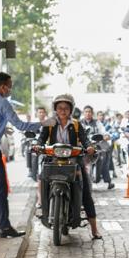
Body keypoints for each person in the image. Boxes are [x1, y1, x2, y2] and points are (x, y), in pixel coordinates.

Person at [0, 72, 56, 238]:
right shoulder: (3, 103)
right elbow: (21, 125)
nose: (10, 90)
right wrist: (44, 123)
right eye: (9, 86)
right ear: (2, 87)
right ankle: (4, 227)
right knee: (0, 187)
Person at [37, 94, 102, 239]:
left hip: (74, 160)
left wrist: (90, 147)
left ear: (71, 109)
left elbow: (85, 140)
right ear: (55, 109)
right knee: (43, 180)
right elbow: (41, 138)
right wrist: (37, 145)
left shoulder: (76, 124)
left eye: (66, 108)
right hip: (53, 159)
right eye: (60, 108)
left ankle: (94, 230)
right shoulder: (49, 123)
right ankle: (43, 207)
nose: (63, 110)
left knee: (86, 193)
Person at [81, 106, 114, 189]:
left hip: (96, 145)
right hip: (83, 147)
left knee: (103, 159)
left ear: (92, 113)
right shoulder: (80, 123)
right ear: (83, 113)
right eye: (86, 111)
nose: (88, 113)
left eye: (89, 112)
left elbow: (103, 131)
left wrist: (106, 135)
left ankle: (108, 181)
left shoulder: (97, 123)